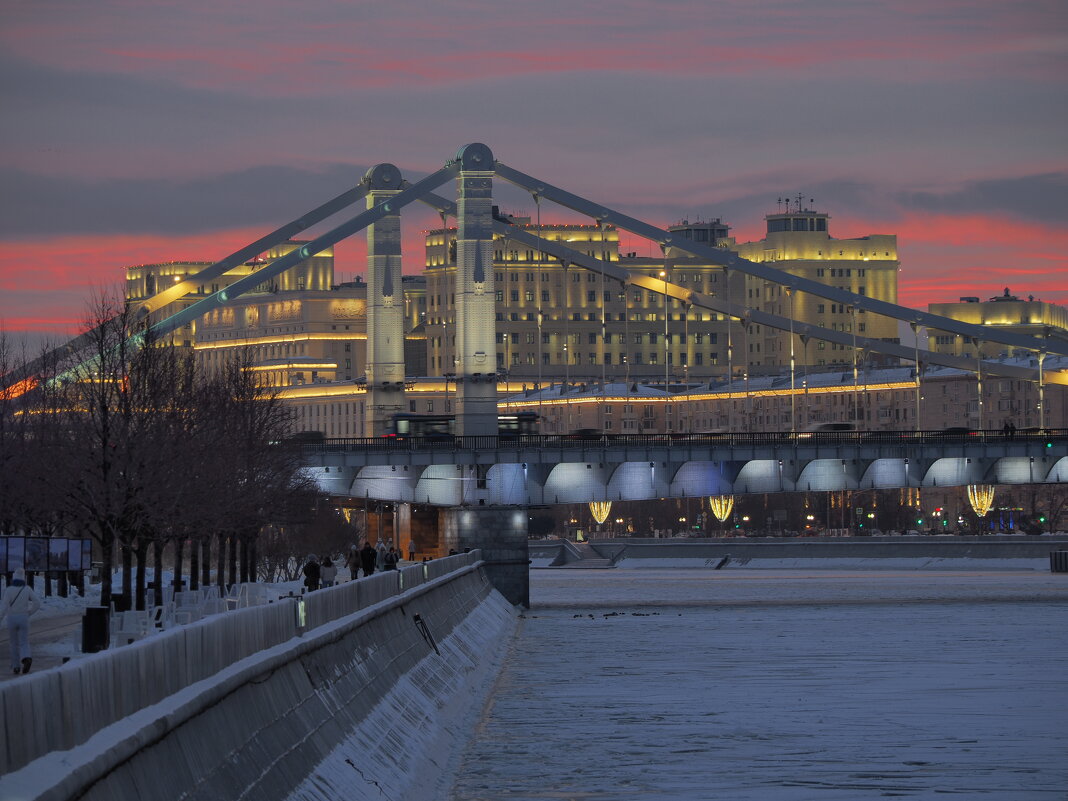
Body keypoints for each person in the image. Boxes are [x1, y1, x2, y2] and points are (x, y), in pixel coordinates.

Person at [0, 568, 43, 675]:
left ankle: (16, 667)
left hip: (12, 618)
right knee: (24, 641)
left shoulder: (9, 590)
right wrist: (29, 612)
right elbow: (37, 603)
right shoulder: (27, 589)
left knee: (13, 643)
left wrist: (0, 618)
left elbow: (4, 607)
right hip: (24, 618)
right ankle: (26, 658)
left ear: (14, 578)